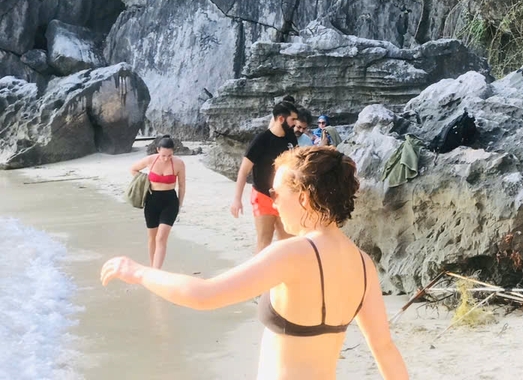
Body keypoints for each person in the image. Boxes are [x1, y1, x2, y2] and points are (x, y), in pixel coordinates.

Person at [102, 146, 409, 379]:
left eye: (275, 192)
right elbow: (385, 349)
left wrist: (138, 272)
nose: (272, 202)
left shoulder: (293, 253)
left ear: (304, 198)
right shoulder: (364, 264)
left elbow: (203, 294)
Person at [231, 99, 298, 252]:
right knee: (264, 241)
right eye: (292, 119)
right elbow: (243, 171)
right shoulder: (261, 140)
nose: (295, 123)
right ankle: (259, 276)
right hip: (263, 196)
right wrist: (237, 199)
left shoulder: (291, 138)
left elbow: (295, 166)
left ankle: (285, 275)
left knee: (288, 243)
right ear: (281, 119)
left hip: (285, 196)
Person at [129, 137, 186, 269]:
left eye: (169, 155)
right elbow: (133, 169)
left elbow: (182, 186)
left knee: (161, 238)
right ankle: (152, 267)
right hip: (152, 200)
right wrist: (143, 181)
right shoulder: (150, 160)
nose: (166, 158)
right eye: (163, 155)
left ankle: (156, 271)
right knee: (152, 238)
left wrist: (179, 204)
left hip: (170, 202)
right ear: (157, 150)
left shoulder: (179, 163)